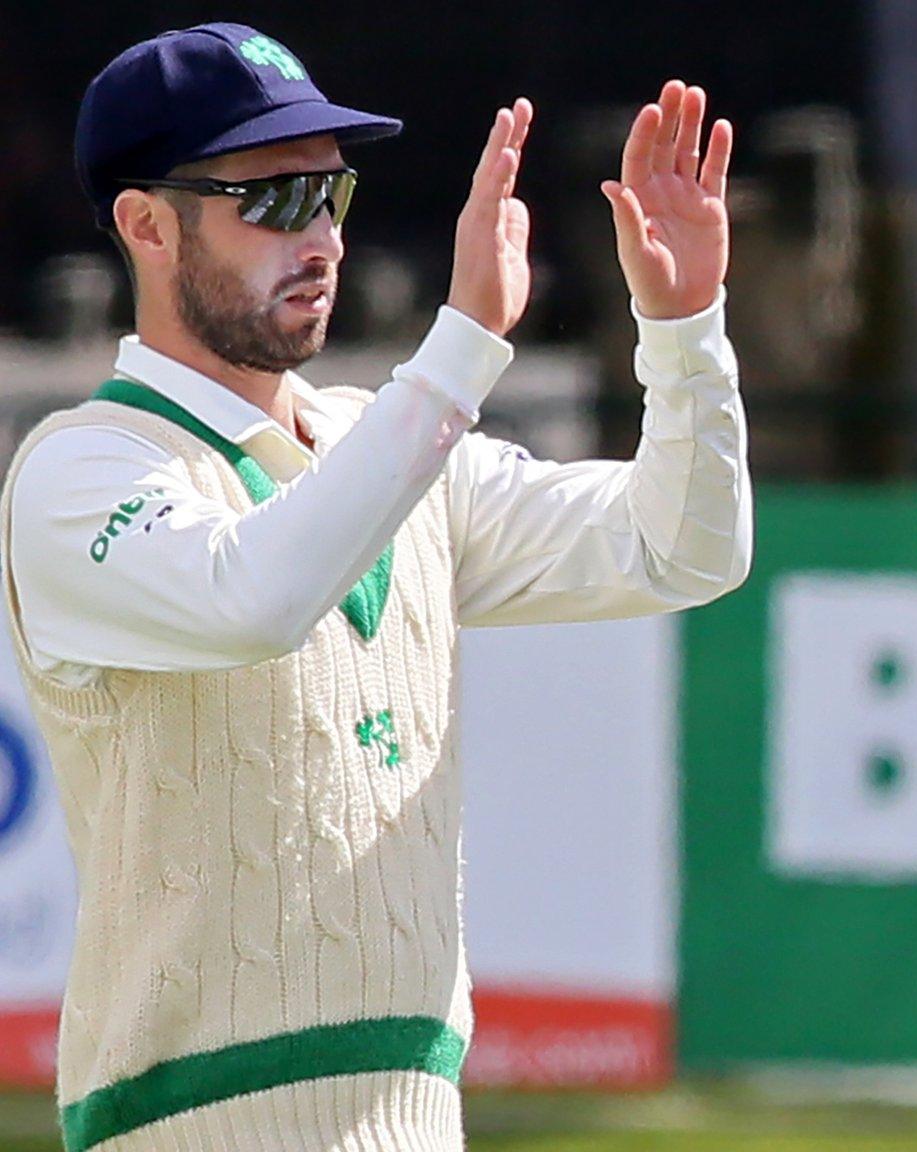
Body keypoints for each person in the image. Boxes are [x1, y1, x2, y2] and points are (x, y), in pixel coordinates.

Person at [1, 24, 751, 1149]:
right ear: (146, 225)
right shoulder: (82, 465)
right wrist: (461, 348)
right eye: (270, 198)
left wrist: (682, 328)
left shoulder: (386, 446)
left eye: (329, 195)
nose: (318, 239)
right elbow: (251, 599)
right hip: (187, 1126)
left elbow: (679, 551)